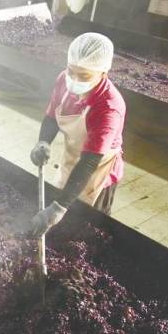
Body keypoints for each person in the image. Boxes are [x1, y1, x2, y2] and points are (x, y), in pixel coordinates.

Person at [29, 32, 126, 237]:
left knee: (85, 228)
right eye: (72, 71)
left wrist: (59, 208)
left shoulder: (109, 107)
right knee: (60, 209)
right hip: (73, 156)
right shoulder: (64, 80)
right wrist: (43, 141)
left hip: (98, 169)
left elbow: (89, 163)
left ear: (103, 74)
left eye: (84, 76)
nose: (74, 80)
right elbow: (52, 116)